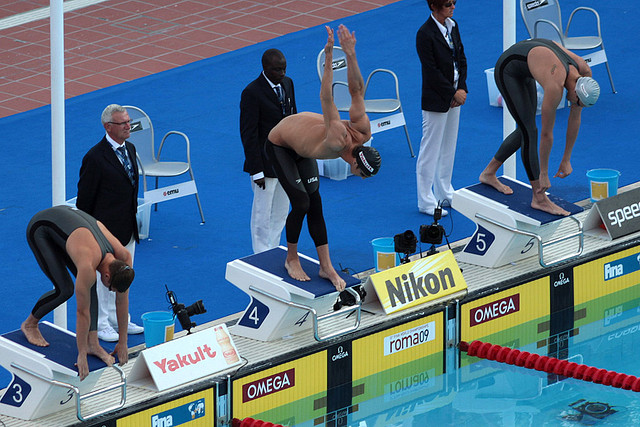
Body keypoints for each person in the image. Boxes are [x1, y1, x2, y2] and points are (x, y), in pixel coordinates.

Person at [267, 24, 381, 292]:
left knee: (315, 202)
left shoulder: (362, 131)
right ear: (356, 164)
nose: (361, 179)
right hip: (280, 144)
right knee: (301, 202)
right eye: (363, 175)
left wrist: (351, 54)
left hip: (302, 147)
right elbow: (326, 96)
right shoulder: (337, 137)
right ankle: (291, 258)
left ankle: (325, 266)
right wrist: (330, 57)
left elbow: (356, 91)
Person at [479, 38, 601, 216]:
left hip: (528, 66)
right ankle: (539, 198)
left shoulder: (584, 73)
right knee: (530, 132)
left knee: (525, 129)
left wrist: (566, 159)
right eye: (578, 103)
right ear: (575, 91)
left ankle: (488, 173)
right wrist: (543, 173)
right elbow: (546, 134)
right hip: (508, 69)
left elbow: (575, 118)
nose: (577, 106)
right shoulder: (555, 86)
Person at [21, 205, 135, 380]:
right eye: (110, 288)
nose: (110, 292)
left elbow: (122, 301)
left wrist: (123, 342)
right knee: (64, 290)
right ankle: (30, 324)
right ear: (107, 275)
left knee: (91, 287)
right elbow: (82, 312)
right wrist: (81, 354)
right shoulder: (89, 265)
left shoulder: (124, 258)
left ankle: (93, 343)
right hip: (42, 228)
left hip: (70, 230)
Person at [76, 104, 144, 342]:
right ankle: (102, 323)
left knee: (123, 274)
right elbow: (84, 201)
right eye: (123, 123)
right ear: (108, 127)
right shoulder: (94, 158)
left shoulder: (131, 148)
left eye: (128, 121)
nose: (129, 126)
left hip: (128, 227)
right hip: (104, 231)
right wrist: (91, 232)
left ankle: (119, 318)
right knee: (105, 279)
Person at [240, 48, 297, 254]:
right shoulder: (252, 92)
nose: (282, 74)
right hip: (264, 165)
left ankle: (273, 250)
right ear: (265, 68)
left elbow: (294, 121)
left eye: (284, 69)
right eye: (277, 70)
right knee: (262, 215)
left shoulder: (288, 84)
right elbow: (249, 134)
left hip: (286, 162)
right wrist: (256, 170)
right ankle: (260, 255)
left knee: (281, 211)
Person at [416, 0, 467, 217]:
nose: (453, 7)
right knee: (430, 149)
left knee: (449, 145)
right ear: (435, 6)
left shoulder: (453, 26)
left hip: (456, 95)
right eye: (448, 4)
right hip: (437, 99)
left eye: (454, 3)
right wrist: (451, 93)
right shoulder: (424, 34)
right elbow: (431, 71)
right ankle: (425, 199)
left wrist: (462, 88)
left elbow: (461, 59)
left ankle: (445, 191)